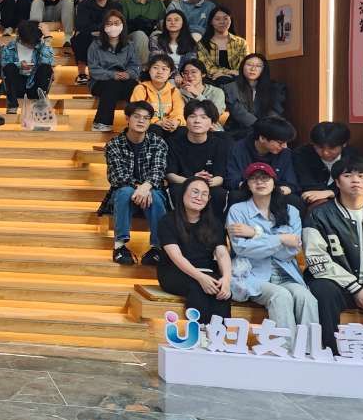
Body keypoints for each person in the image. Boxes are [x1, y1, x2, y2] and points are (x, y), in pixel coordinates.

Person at [227, 162, 315, 342]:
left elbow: (290, 251)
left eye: (265, 178)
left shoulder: (291, 211)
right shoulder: (238, 210)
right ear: (247, 184)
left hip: (286, 274)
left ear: (274, 182)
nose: (260, 182)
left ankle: (309, 349)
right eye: (254, 179)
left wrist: (255, 234)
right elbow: (241, 248)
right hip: (251, 275)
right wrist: (281, 239)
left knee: (306, 298)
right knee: (280, 296)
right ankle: (285, 350)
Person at [303, 158, 363, 354]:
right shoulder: (318, 215)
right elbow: (316, 260)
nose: (356, 180)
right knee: (323, 290)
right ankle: (330, 352)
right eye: (348, 175)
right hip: (337, 284)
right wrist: (355, 288)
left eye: (361, 176)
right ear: (337, 183)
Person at [99, 101, 168, 266]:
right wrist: (140, 188)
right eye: (137, 116)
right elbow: (117, 176)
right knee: (125, 192)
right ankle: (119, 246)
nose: (141, 121)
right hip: (124, 194)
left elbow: (158, 171)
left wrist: (146, 187)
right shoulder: (114, 145)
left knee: (156, 196)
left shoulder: (158, 143)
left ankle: (157, 248)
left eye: (146, 118)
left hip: (152, 192)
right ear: (127, 119)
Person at [157, 177, 233, 323]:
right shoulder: (167, 221)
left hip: (206, 270)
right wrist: (200, 277)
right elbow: (176, 256)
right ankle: (199, 330)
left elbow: (222, 253)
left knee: (221, 288)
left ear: (209, 199)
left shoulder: (214, 223)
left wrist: (226, 279)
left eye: (204, 194)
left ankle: (218, 333)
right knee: (198, 286)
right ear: (183, 194)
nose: (199, 197)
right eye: (195, 192)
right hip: (174, 272)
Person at [166, 100, 232, 218]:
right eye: (192, 116)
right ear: (186, 120)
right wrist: (193, 180)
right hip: (183, 183)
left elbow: (220, 177)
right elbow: (171, 175)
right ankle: (181, 226)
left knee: (219, 194)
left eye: (203, 117)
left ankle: (214, 227)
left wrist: (204, 183)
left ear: (212, 123)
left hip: (209, 185)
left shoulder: (220, 144)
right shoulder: (174, 142)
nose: (197, 121)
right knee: (176, 191)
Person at [87, 9, 139, 133]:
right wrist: (112, 75)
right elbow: (94, 70)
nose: (113, 26)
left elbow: (135, 66)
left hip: (124, 80)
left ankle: (136, 124)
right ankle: (102, 123)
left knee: (135, 86)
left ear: (122, 25)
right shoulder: (95, 46)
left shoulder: (130, 45)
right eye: (109, 23)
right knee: (112, 84)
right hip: (101, 82)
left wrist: (128, 74)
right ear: (104, 26)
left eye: (116, 23)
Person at [225, 116, 299, 199]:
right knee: (235, 196)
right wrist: (258, 190)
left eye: (286, 142)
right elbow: (231, 180)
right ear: (262, 138)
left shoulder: (285, 153)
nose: (285, 146)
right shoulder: (237, 149)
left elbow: (291, 183)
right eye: (280, 143)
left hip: (276, 194)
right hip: (247, 191)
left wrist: (274, 192)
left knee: (294, 199)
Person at [294, 121, 358, 209]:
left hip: (342, 197)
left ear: (344, 144)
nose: (325, 153)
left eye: (332, 148)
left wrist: (332, 192)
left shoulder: (352, 156)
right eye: (319, 147)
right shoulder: (302, 154)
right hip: (310, 200)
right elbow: (306, 183)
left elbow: (356, 183)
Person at [223, 53, 287, 137]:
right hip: (238, 131)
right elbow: (238, 112)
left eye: (258, 66)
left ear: (264, 69)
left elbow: (274, 111)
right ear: (242, 67)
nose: (253, 69)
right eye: (249, 65)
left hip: (266, 130)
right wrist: (259, 125)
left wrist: (268, 127)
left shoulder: (274, 88)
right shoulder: (230, 87)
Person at [0, 20, 54, 115]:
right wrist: (19, 65)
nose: (32, 45)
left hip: (35, 86)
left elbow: (48, 62)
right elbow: (4, 66)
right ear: (20, 38)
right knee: (9, 67)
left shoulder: (41, 46)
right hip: (16, 87)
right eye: (29, 43)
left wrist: (47, 38)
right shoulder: (9, 47)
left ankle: (41, 104)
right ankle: (12, 105)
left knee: (46, 68)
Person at [72, 0, 114, 85]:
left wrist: (98, 29)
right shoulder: (84, 5)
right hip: (88, 35)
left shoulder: (115, 6)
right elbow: (81, 26)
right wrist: (103, 27)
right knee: (81, 38)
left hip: (109, 35)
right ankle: (82, 74)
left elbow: (117, 25)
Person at [119, 0, 167, 65]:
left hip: (151, 36)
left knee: (158, 34)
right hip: (130, 38)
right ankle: (143, 68)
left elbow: (163, 27)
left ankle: (159, 66)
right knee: (140, 35)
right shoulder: (125, 3)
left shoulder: (158, 3)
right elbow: (121, 29)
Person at [130, 54, 185, 135]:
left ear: (170, 73)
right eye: (155, 68)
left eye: (164, 69)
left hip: (169, 125)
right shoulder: (141, 88)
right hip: (148, 125)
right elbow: (137, 111)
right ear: (149, 70)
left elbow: (179, 111)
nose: (159, 72)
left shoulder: (174, 91)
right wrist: (158, 122)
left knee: (183, 131)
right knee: (155, 129)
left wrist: (176, 122)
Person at [197, 5, 247, 85]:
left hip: (237, 79)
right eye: (217, 19)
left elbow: (244, 65)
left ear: (231, 20)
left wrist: (228, 75)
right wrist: (228, 73)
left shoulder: (241, 42)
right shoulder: (202, 43)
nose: (222, 22)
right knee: (222, 80)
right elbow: (207, 67)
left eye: (225, 18)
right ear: (211, 22)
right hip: (212, 80)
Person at [178, 58, 228, 128]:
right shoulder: (179, 93)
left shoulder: (217, 92)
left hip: (211, 128)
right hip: (186, 128)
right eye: (185, 73)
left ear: (203, 74)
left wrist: (197, 94)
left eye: (193, 72)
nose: (189, 75)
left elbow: (214, 115)